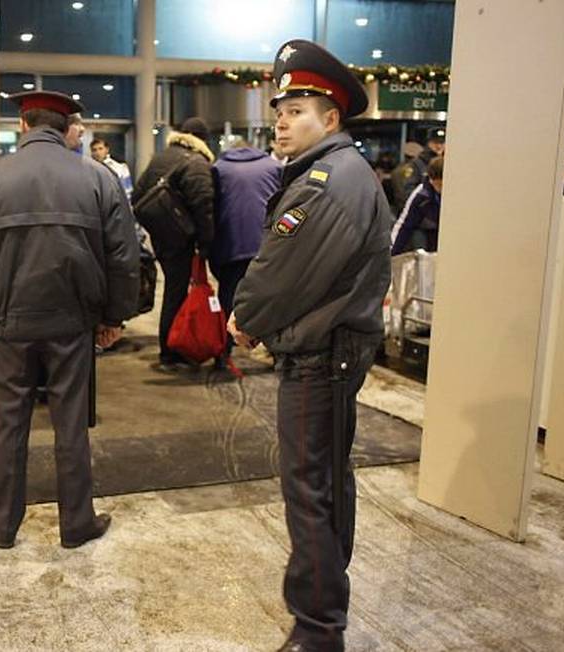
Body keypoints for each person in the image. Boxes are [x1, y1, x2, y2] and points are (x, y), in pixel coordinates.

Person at [227, 40, 392, 652]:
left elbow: (282, 272)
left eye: (298, 109)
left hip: (321, 355)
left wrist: (244, 317)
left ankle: (319, 627)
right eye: (280, 109)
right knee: (325, 479)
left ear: (331, 118)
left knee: (309, 487)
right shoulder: (337, 173)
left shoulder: (327, 180)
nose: (283, 119)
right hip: (331, 349)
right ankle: (326, 599)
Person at [0, 90, 139, 549]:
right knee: (70, 422)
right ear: (66, 126)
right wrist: (114, 316)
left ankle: (3, 526)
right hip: (73, 322)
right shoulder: (98, 177)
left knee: (9, 422)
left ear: (24, 125)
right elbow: (123, 257)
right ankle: (76, 524)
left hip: (9, 322)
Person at [131, 116, 215, 372]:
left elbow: (138, 196)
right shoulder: (196, 162)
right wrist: (206, 242)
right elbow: (204, 204)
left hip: (163, 235)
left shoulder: (162, 156)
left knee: (173, 290)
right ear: (202, 139)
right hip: (181, 238)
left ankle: (173, 346)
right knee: (176, 294)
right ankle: (171, 351)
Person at [209, 139, 280, 366]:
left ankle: (223, 353)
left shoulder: (219, 168)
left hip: (230, 243)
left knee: (228, 296)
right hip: (265, 245)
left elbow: (212, 206)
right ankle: (276, 352)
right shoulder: (273, 166)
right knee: (268, 298)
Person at [391, 156, 443, 255]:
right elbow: (404, 225)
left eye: (440, 185)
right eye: (434, 184)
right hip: (430, 235)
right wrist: (390, 255)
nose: (437, 189)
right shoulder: (422, 194)